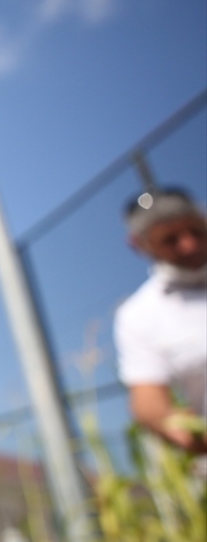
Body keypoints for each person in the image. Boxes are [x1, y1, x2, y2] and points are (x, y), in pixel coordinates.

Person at [113, 187, 207, 456]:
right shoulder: (139, 315)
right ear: (139, 245)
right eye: (170, 239)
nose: (189, 244)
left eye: (195, 231)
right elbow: (148, 399)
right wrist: (169, 423)